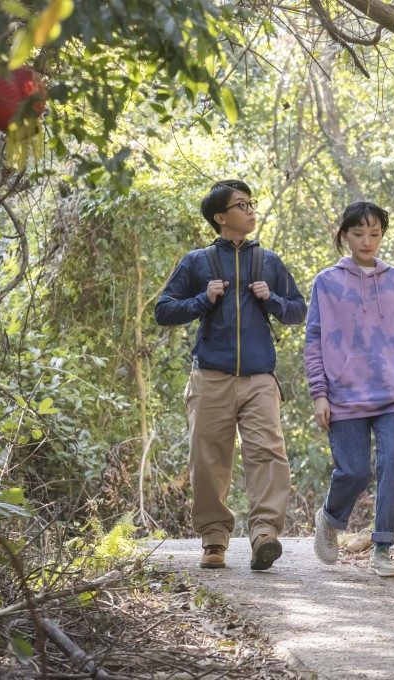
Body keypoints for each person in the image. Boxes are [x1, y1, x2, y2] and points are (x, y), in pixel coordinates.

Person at [155, 180, 306, 571]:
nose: (251, 210)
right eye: (242, 205)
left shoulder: (268, 261)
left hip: (259, 378)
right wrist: (203, 299)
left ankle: (264, 536)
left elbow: (297, 311)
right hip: (211, 376)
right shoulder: (196, 261)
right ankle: (214, 540)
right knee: (207, 460)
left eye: (252, 203)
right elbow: (164, 310)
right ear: (221, 217)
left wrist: (270, 298)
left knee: (269, 456)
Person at [304, 201, 394, 577]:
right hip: (344, 393)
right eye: (358, 233)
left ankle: (383, 549)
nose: (367, 241)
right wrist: (319, 393)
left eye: (374, 234)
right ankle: (330, 517)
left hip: (393, 393)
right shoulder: (327, 282)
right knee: (354, 471)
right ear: (344, 235)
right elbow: (314, 340)